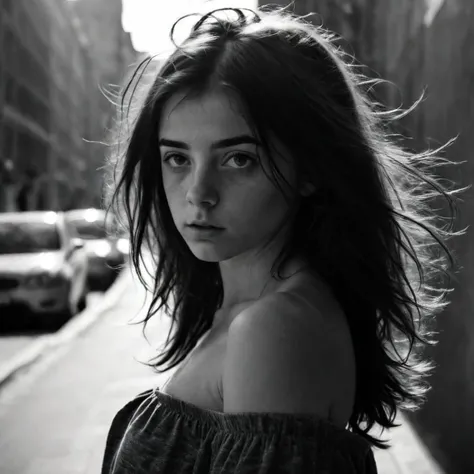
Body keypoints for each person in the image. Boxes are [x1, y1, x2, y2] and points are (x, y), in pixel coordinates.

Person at [102, 6, 461, 473]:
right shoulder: (248, 312)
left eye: (238, 159)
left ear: (309, 169)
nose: (198, 194)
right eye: (177, 158)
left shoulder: (273, 330)